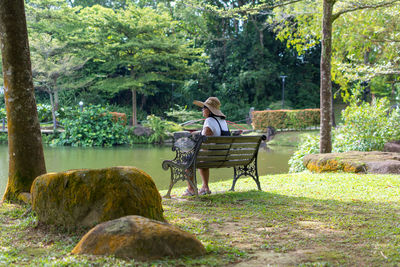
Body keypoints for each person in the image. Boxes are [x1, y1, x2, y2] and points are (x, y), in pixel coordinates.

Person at [182, 97, 230, 196]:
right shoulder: (223, 121)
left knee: (187, 160)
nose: (202, 110)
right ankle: (205, 187)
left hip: (212, 156)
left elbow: (203, 140)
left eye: (203, 108)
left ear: (208, 110)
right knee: (202, 157)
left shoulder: (209, 121)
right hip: (224, 156)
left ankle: (191, 189)